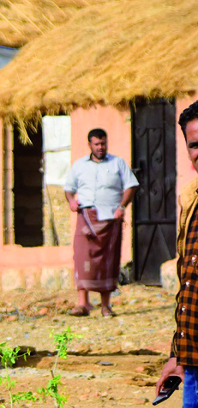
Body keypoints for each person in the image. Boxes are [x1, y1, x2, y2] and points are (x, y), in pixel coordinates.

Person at [156, 98, 198, 408]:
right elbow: (189, 284)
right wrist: (176, 355)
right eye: (194, 144)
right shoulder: (190, 198)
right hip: (195, 354)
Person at [63, 128, 139, 316]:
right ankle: (83, 304)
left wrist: (121, 207)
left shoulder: (117, 163)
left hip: (110, 219)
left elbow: (131, 186)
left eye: (103, 143)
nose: (100, 147)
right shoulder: (79, 165)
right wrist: (72, 200)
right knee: (82, 259)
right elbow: (69, 188)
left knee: (108, 261)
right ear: (89, 145)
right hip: (86, 218)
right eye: (96, 144)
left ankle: (106, 306)